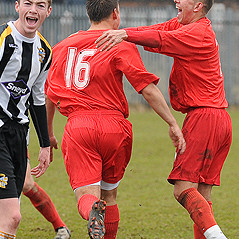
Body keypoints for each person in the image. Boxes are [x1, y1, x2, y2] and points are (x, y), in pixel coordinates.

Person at [45, 0, 186, 238]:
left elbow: (49, 94)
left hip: (79, 127)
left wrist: (48, 134)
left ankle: (92, 210)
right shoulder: (118, 42)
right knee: (109, 196)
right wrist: (172, 122)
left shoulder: (62, 47)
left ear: (89, 14)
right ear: (115, 13)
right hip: (115, 128)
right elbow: (147, 88)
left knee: (87, 196)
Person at [96, 0, 232, 239]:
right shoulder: (188, 26)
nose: (176, 1)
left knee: (182, 190)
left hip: (204, 118)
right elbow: (158, 30)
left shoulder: (196, 32)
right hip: (219, 118)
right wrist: (121, 34)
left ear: (198, 5)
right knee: (202, 192)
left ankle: (217, 237)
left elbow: (161, 40)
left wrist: (124, 34)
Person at [0, 0, 53, 238]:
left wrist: (44, 144)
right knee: (12, 216)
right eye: (28, 3)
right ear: (17, 6)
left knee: (7, 217)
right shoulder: (4, 40)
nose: (33, 10)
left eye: (40, 5)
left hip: (19, 137)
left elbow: (37, 98)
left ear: (48, 11)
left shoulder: (44, 51)